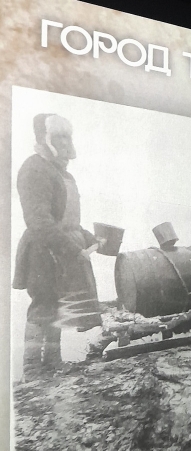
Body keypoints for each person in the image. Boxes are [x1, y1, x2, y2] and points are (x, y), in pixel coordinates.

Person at [12, 114, 103, 379]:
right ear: (45, 139)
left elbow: (68, 221)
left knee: (57, 305)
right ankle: (31, 369)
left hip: (62, 249)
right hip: (42, 250)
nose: (65, 143)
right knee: (43, 305)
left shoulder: (62, 173)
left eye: (67, 137)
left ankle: (52, 363)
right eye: (59, 137)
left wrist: (91, 239)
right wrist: (73, 250)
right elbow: (39, 221)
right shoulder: (34, 169)